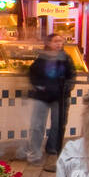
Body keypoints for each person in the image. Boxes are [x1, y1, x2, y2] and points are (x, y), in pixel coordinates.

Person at [27, 33, 76, 169]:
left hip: (60, 97)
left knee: (58, 125)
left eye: (61, 41)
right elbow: (32, 73)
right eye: (56, 41)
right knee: (37, 125)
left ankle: (53, 150)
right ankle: (34, 154)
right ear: (49, 43)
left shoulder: (66, 58)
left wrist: (66, 90)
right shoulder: (42, 58)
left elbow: (71, 76)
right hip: (41, 96)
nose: (59, 44)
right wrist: (38, 86)